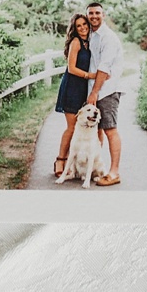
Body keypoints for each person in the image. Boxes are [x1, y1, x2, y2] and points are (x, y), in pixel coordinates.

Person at [83, 0, 125, 186]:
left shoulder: (108, 37)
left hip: (107, 90)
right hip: (95, 89)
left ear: (103, 15)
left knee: (110, 129)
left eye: (97, 13)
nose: (94, 16)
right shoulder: (92, 35)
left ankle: (114, 173)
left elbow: (104, 68)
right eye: (90, 13)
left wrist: (94, 93)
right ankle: (97, 169)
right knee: (96, 130)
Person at [50, 13, 96, 178]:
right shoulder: (76, 42)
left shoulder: (89, 41)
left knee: (81, 127)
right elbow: (71, 68)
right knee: (71, 127)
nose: (83, 28)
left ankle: (74, 165)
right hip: (72, 87)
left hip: (84, 89)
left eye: (85, 24)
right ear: (74, 29)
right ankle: (60, 160)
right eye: (79, 26)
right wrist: (90, 75)